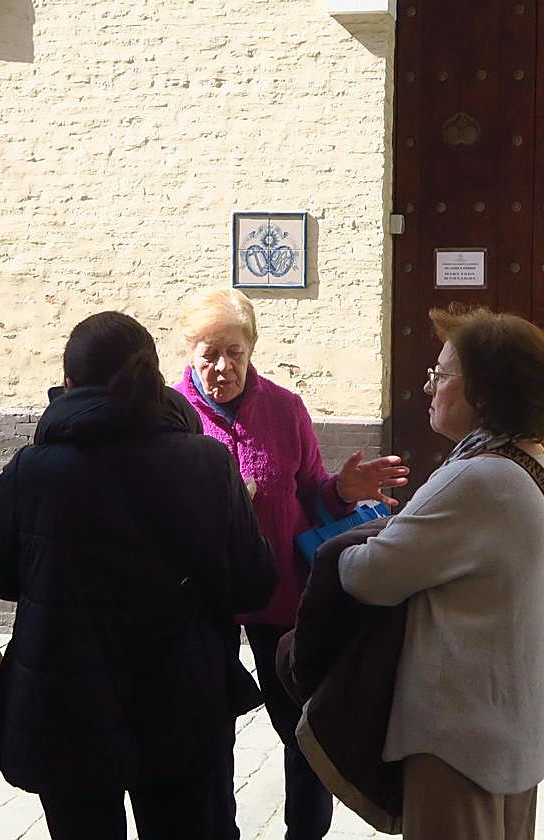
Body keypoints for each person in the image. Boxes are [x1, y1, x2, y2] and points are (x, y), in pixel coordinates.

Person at [0, 311, 277, 840]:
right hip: (180, 700)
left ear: (67, 384)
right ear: (154, 377)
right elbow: (252, 582)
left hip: (66, 706)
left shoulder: (34, 469)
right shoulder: (206, 462)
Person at [173, 287, 409, 840]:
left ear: (252, 348)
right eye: (209, 354)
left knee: (303, 730)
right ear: (189, 352)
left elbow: (310, 495)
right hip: (201, 605)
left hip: (282, 594)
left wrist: (342, 490)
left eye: (234, 351)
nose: (222, 367)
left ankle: (305, 832)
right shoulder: (171, 416)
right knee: (208, 736)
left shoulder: (284, 409)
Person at [335, 306, 544, 840]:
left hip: (460, 739)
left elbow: (368, 576)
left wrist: (341, 542)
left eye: (441, 375)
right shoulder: (536, 462)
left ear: (483, 394)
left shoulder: (477, 477)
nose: (428, 388)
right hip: (517, 726)